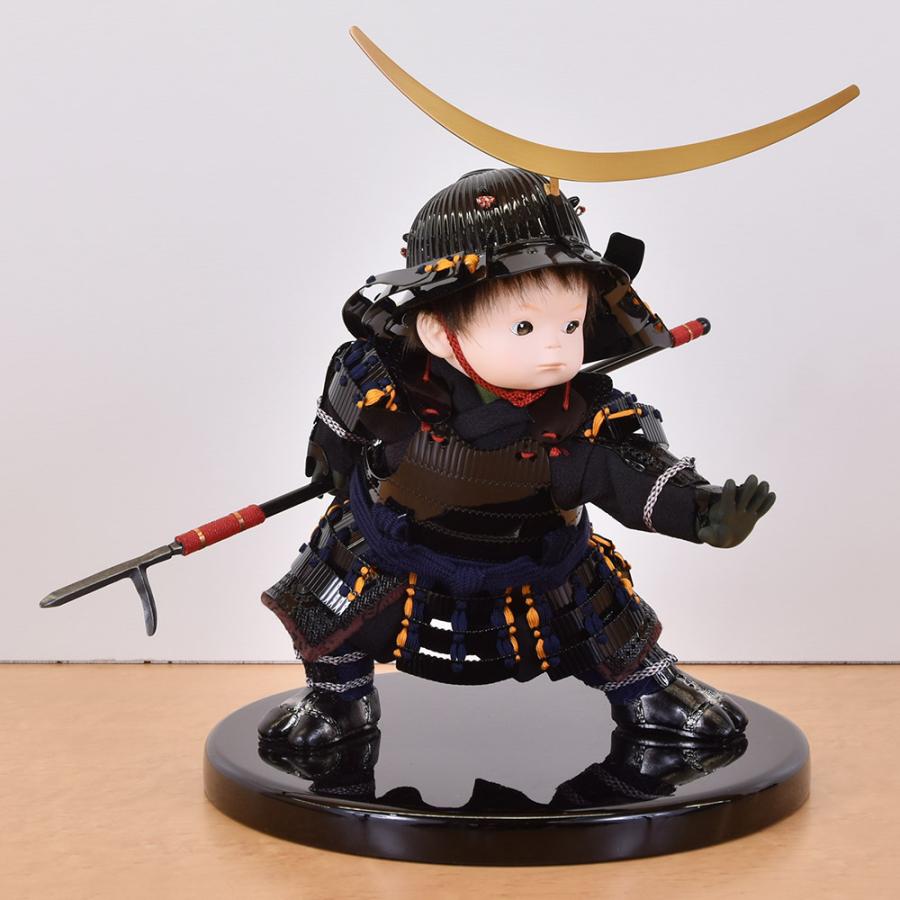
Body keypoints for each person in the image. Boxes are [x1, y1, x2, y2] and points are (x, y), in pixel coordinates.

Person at [259, 167, 775, 751]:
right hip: (393, 545)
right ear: (437, 331)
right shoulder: (389, 383)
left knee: (601, 617)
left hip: (539, 559)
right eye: (525, 325)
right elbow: (341, 417)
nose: (556, 345)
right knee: (335, 607)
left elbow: (636, 470)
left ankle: (648, 689)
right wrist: (331, 453)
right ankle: (337, 697)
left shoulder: (585, 415)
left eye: (571, 324)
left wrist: (702, 512)